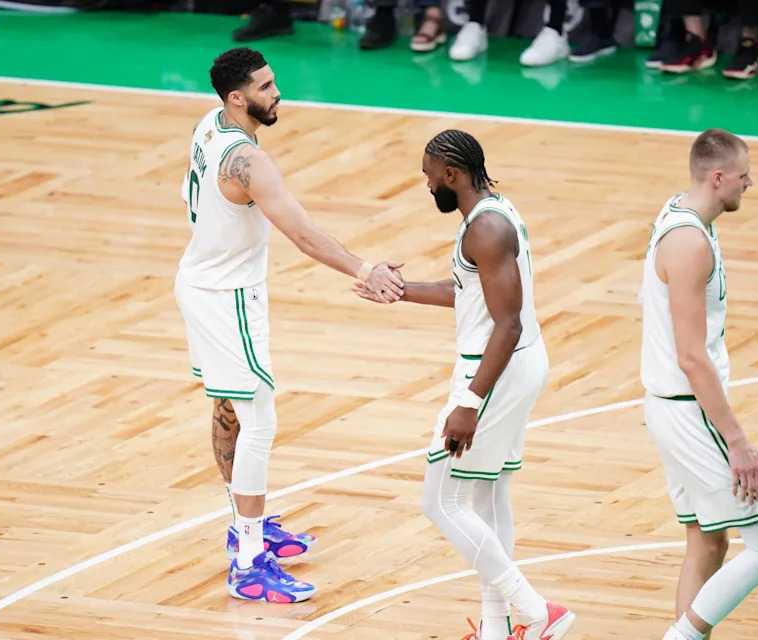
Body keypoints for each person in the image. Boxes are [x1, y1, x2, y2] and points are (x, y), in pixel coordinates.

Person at [175, 46, 404, 603]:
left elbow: (190, 194)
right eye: (266, 87)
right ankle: (249, 563)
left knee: (230, 408)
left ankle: (244, 525)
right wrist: (365, 269)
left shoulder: (210, 126)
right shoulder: (250, 163)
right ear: (238, 98)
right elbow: (303, 235)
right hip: (225, 298)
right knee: (259, 420)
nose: (277, 94)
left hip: (203, 282)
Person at [353, 129, 574, 640]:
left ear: (451, 173)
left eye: (430, 176)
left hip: (495, 370)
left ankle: (537, 613)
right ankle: (497, 629)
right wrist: (400, 289)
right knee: (487, 497)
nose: (427, 185)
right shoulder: (491, 214)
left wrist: (470, 402)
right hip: (516, 364)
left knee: (440, 501)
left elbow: (508, 322)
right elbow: (471, 295)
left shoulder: (487, 229)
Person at [639, 128, 758, 640]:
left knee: (707, 541)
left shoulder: (681, 213)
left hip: (671, 407)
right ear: (717, 177)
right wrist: (738, 441)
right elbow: (691, 357)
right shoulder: (688, 242)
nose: (751, 184)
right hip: (688, 411)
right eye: (744, 177)